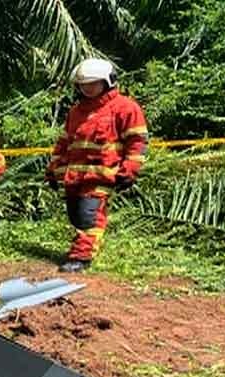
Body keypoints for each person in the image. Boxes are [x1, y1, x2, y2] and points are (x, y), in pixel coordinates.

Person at [45, 58, 148, 272]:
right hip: (73, 177)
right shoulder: (76, 111)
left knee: (89, 216)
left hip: (102, 175)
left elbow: (137, 142)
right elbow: (64, 143)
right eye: (84, 84)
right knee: (76, 215)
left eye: (93, 83)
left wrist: (129, 169)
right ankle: (82, 248)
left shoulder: (125, 108)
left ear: (108, 81)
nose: (88, 88)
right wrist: (53, 169)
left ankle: (81, 257)